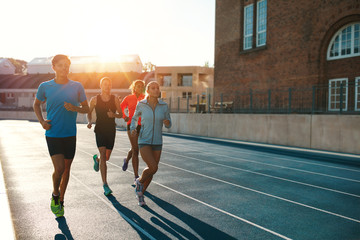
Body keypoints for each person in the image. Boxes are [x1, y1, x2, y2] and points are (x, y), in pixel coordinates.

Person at [33, 54, 89, 217]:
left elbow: (87, 108)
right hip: (53, 133)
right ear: (54, 67)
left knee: (66, 170)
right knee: (59, 168)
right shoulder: (45, 86)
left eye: (67, 65)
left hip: (70, 134)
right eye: (61, 65)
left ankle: (61, 201)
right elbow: (36, 104)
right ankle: (55, 194)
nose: (65, 68)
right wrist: (42, 121)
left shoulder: (77, 86)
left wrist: (75, 108)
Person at [130, 81, 171, 206]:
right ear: (147, 90)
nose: (156, 89)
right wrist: (133, 128)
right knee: (153, 167)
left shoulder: (163, 105)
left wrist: (167, 122)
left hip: (158, 142)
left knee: (152, 171)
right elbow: (134, 118)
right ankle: (140, 181)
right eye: (153, 88)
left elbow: (169, 122)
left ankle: (140, 193)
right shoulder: (141, 104)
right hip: (144, 140)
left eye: (157, 88)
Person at [87, 77, 122, 196]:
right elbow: (89, 111)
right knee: (103, 154)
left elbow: (121, 114)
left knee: (105, 158)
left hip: (111, 130)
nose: (107, 86)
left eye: (109, 84)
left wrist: (114, 115)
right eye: (105, 84)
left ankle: (96, 160)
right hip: (100, 129)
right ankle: (105, 184)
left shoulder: (115, 99)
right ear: (101, 86)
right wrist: (90, 121)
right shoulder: (95, 99)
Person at [120, 80, 145, 182]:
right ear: (134, 88)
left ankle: (126, 160)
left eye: (141, 86)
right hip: (132, 125)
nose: (140, 88)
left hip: (142, 126)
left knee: (134, 148)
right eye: (138, 86)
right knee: (136, 149)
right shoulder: (129, 98)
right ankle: (136, 176)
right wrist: (124, 116)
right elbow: (120, 108)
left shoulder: (145, 98)